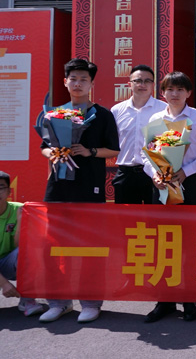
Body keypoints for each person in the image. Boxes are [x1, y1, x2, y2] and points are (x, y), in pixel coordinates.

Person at [39, 58, 120, 324]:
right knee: (55, 246)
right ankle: (59, 302)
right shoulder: (54, 113)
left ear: (91, 84)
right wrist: (53, 152)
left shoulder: (102, 115)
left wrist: (89, 151)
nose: (78, 83)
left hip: (89, 187)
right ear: (65, 82)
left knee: (90, 247)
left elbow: (114, 150)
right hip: (58, 188)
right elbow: (44, 147)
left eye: (83, 79)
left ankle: (90, 302)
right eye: (73, 79)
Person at [143, 71, 196, 324]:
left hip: (189, 184)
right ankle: (164, 300)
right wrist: (154, 174)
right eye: (169, 89)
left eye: (179, 89)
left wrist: (187, 171)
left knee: (189, 243)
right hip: (161, 187)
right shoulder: (155, 118)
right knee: (162, 242)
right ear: (162, 92)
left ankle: (189, 299)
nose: (174, 94)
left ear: (188, 93)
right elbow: (145, 152)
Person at [111, 64, 166, 205]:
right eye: (138, 81)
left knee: (155, 216)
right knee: (125, 217)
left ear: (153, 84)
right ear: (129, 84)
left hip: (155, 174)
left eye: (147, 81)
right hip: (126, 173)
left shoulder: (164, 109)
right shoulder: (117, 110)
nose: (143, 85)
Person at [0, 171, 48, 317]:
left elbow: (21, 244)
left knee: (29, 250)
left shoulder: (20, 209)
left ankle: (27, 301)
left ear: (9, 191)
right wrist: (4, 284)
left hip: (7, 263)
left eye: (1, 187)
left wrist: (21, 221)